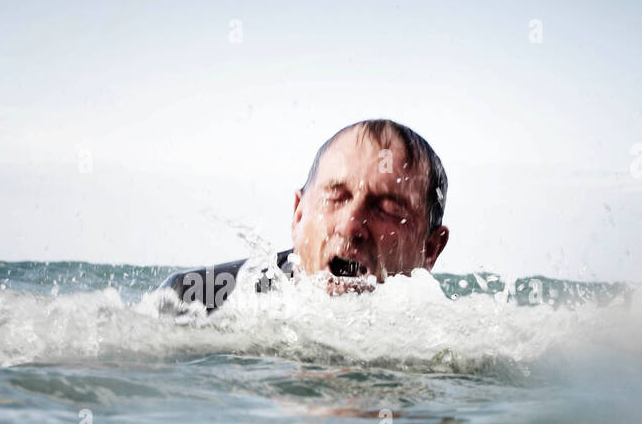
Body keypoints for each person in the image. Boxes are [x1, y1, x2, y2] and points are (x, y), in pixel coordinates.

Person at [159, 118, 449, 311]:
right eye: (336, 197)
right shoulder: (195, 299)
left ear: (431, 249)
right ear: (298, 215)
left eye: (387, 210)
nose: (350, 227)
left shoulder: (448, 339)